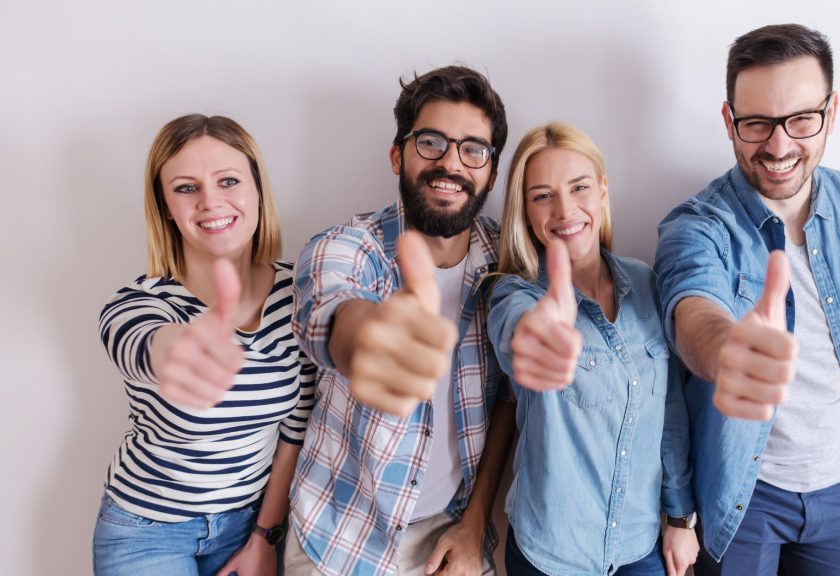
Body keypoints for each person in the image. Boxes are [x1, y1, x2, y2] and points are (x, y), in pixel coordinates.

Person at [654, 24, 840, 575]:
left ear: (831, 112)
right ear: (729, 121)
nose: (778, 145)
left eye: (800, 120)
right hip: (744, 500)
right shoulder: (696, 226)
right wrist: (729, 353)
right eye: (756, 124)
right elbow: (692, 309)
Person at [286, 65, 515, 576]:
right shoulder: (346, 247)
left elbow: (507, 398)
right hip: (338, 538)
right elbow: (332, 309)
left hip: (451, 538)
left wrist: (475, 521)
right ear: (398, 154)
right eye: (431, 142)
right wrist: (368, 339)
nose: (451, 163)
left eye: (473, 149)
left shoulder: (505, 262)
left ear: (492, 172)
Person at [92, 114, 316, 576]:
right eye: (186, 187)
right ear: (165, 207)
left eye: (228, 180)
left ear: (257, 190)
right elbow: (139, 343)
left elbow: (295, 431)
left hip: (248, 528)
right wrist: (173, 347)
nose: (210, 201)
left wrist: (264, 536)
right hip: (144, 532)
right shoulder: (141, 303)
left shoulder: (300, 292)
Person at [487, 122, 700, 576]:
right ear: (525, 212)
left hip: (639, 548)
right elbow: (516, 337)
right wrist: (537, 338)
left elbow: (670, 411)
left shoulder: (646, 282)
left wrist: (680, 517)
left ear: (602, 192)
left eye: (579, 187)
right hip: (551, 554)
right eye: (542, 195)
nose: (565, 210)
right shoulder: (515, 294)